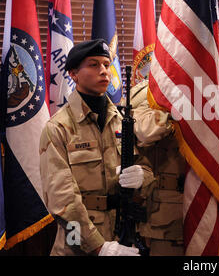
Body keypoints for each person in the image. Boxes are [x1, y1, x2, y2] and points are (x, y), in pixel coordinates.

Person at [39, 39, 153, 256]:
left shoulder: (121, 120)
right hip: (77, 241)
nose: (104, 71)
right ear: (73, 74)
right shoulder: (59, 127)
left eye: (106, 64)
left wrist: (142, 176)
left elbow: (145, 168)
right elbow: (61, 201)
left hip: (122, 234)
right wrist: (99, 247)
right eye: (93, 65)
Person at [129, 80, 185, 255]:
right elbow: (145, 131)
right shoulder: (148, 91)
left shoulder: (208, 85)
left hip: (206, 202)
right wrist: (183, 109)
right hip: (165, 212)